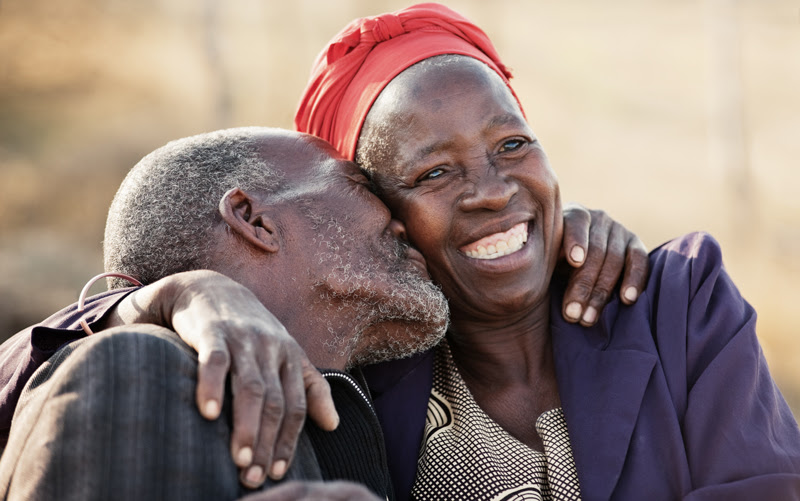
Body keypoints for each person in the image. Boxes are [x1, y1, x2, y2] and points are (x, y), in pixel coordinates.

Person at [294, 3, 800, 500]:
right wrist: (211, 293)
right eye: (435, 173)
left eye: (512, 145)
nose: (492, 192)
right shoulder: (352, 388)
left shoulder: (679, 304)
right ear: (381, 216)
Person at [0, 126, 450, 500]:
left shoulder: (349, 423)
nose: (401, 219)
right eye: (361, 185)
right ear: (253, 220)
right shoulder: (141, 366)